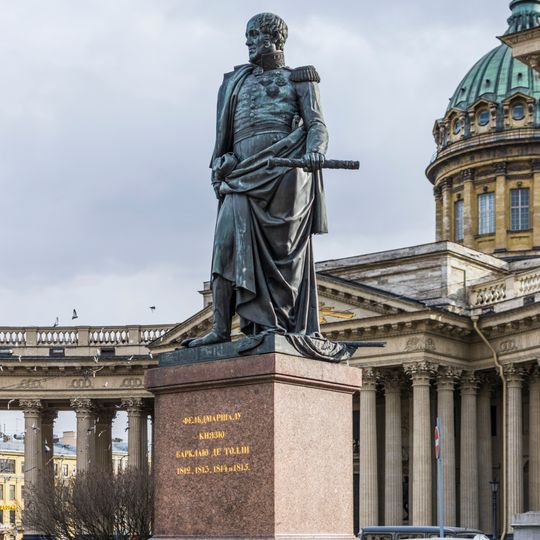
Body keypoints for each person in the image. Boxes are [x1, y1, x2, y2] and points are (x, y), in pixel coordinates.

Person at [185, 12, 329, 349]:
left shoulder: (300, 79)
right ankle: (220, 328)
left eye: (257, 36)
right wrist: (220, 163)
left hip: (285, 172)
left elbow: (317, 124)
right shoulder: (234, 83)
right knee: (225, 248)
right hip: (240, 175)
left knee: (282, 255)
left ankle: (276, 325)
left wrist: (316, 150)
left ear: (276, 39)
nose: (250, 44)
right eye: (248, 37)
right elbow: (224, 138)